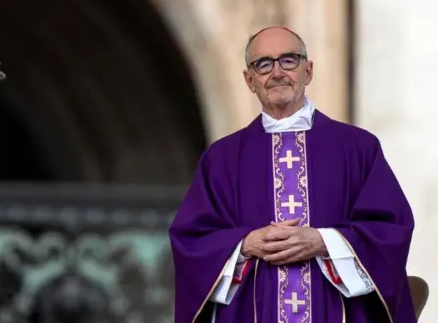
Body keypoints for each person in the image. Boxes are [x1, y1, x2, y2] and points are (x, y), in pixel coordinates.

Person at [169, 26, 416, 323]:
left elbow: (391, 230)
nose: (276, 73)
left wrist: (324, 241)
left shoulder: (359, 148)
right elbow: (191, 240)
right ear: (249, 80)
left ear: (308, 71)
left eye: (289, 60)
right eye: (263, 64)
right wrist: (246, 244)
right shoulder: (221, 158)